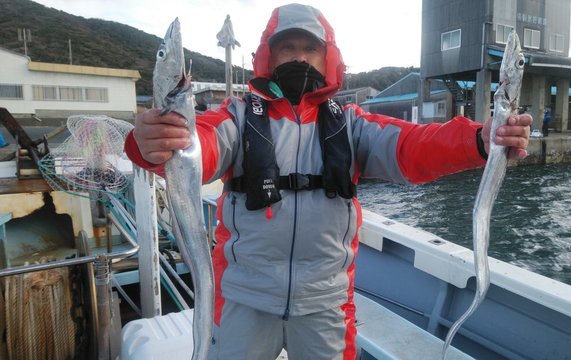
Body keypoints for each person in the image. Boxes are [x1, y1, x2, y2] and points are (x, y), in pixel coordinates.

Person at [124, 3, 532, 359]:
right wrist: (155, 142)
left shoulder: (351, 125)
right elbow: (201, 145)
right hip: (241, 297)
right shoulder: (238, 117)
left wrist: (479, 139)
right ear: (269, 55)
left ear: (327, 57)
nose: (298, 57)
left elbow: (414, 147)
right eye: (287, 47)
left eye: (309, 49)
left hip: (327, 302)